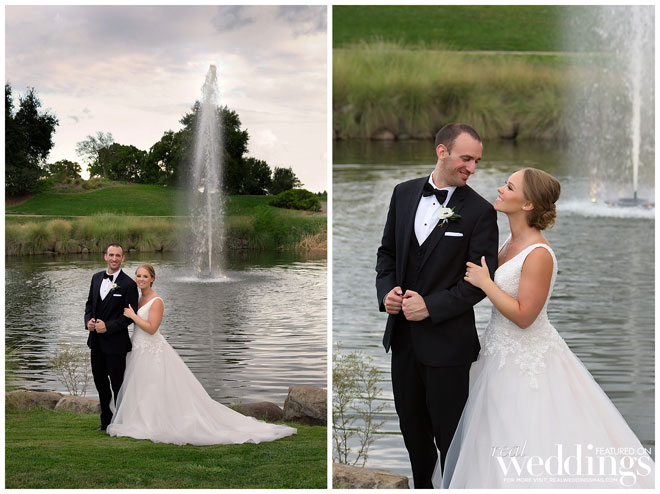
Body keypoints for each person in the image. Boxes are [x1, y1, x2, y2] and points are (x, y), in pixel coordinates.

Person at [440, 168, 655, 488]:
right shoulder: (510, 241)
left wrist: (486, 283)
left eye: (509, 186)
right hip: (495, 355)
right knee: (488, 441)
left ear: (527, 204)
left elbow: (525, 316)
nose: (500, 189)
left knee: (522, 439)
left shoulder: (540, 254)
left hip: (527, 363)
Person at [375, 123, 499, 488]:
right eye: (466, 158)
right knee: (414, 436)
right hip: (403, 342)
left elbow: (478, 285)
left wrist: (430, 306)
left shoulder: (479, 212)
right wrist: (387, 294)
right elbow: (387, 255)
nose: (472, 168)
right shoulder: (403, 193)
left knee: (452, 440)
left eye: (476, 161)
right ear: (442, 152)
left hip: (449, 347)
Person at [106, 264, 296, 445]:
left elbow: (152, 328)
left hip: (152, 349)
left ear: (152, 279)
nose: (141, 279)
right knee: (142, 386)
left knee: (155, 385)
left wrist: (133, 317)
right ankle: (141, 420)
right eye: (138, 275)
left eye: (145, 276)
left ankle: (158, 423)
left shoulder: (156, 301)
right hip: (138, 348)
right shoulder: (138, 299)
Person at [85, 243, 139, 431]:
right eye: (111, 255)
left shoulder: (129, 284)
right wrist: (89, 322)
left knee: (118, 385)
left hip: (116, 344)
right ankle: (105, 421)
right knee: (101, 384)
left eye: (118, 255)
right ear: (105, 256)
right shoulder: (96, 278)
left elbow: (129, 318)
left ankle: (121, 422)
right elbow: (89, 304)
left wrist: (107, 327)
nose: (114, 258)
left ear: (123, 258)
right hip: (96, 343)